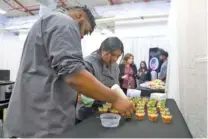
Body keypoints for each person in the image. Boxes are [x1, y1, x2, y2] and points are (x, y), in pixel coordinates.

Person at [4, 7, 135, 138]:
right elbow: (75, 76)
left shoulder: (48, 24)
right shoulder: (64, 22)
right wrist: (115, 98)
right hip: (44, 123)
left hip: (37, 119)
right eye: (84, 31)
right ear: (79, 16)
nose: (82, 36)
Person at [76, 37, 124, 122]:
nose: (115, 59)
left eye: (118, 56)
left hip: (109, 110)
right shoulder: (88, 63)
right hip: (89, 111)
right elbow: (83, 94)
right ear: (103, 50)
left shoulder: (115, 66)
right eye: (113, 55)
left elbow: (116, 87)